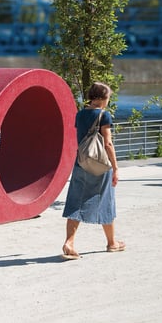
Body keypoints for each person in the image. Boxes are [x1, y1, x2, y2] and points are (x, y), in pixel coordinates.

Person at [61, 82, 125, 260]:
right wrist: (115, 167)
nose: (108, 101)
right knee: (106, 200)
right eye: (107, 97)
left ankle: (69, 242)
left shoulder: (80, 114)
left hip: (81, 162)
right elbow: (107, 144)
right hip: (99, 164)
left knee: (76, 199)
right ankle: (112, 243)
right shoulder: (104, 115)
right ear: (100, 98)